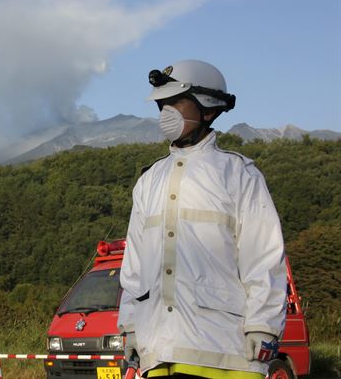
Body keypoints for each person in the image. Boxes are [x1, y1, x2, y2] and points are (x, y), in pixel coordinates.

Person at [118, 60, 287, 379]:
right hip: (159, 354)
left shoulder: (238, 174)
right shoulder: (149, 181)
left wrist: (262, 327)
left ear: (208, 107)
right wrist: (130, 326)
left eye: (175, 102)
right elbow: (134, 268)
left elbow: (264, 257)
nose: (166, 112)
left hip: (225, 351)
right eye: (162, 104)